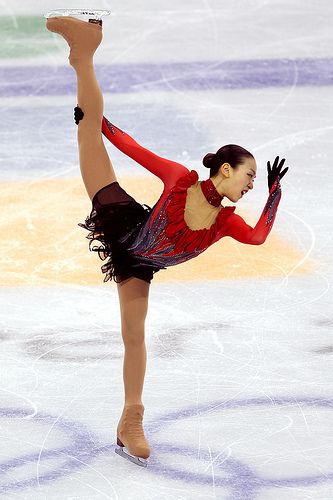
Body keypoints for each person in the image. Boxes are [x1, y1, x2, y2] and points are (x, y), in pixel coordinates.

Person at [45, 15, 289, 468]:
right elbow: (135, 149)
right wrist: (100, 124)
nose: (253, 183)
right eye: (251, 175)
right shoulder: (181, 181)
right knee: (87, 130)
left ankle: (130, 418)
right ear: (227, 169)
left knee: (133, 336)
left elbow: (257, 238)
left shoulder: (225, 223)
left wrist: (274, 196)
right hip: (123, 223)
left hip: (140, 262)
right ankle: (86, 49)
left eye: (257, 179)